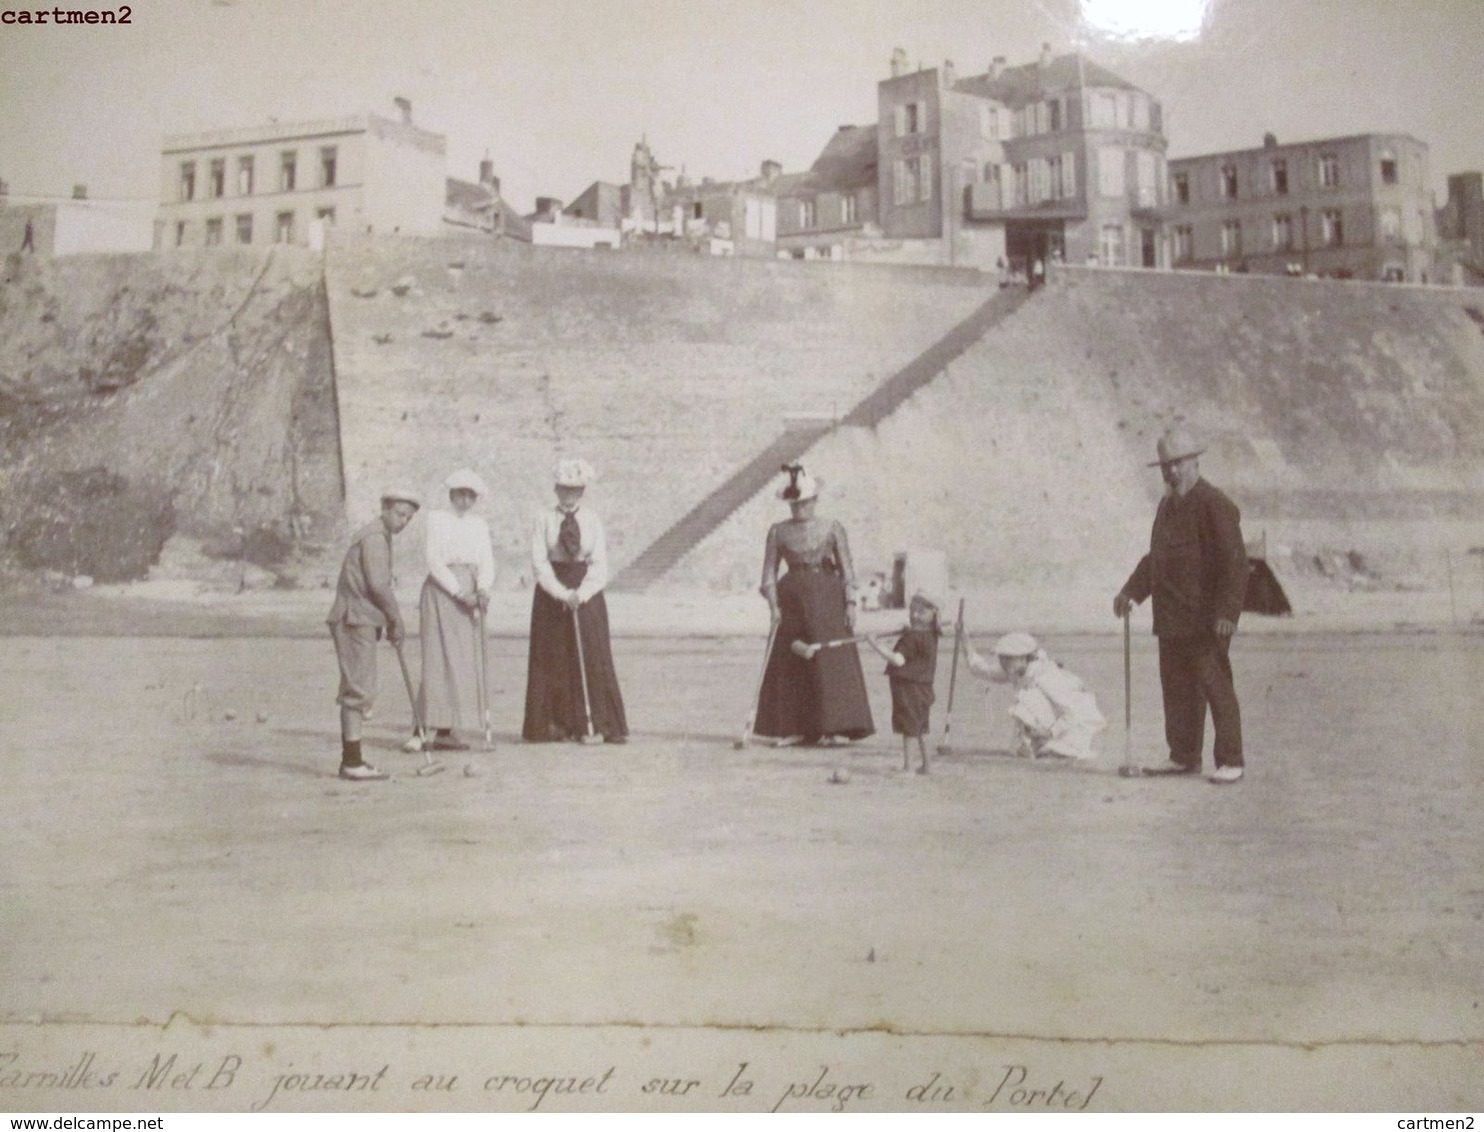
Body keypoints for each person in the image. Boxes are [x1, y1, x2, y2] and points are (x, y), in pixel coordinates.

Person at [1113, 427, 1248, 784]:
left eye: (1178, 464)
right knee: (1176, 690)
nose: (1172, 472)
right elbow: (1155, 559)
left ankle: (1231, 760)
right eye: (1165, 467)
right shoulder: (1167, 507)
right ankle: (1184, 756)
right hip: (1171, 619)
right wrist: (1130, 593)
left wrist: (1227, 614)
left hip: (1206, 621)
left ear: (1194, 463)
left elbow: (1234, 564)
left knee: (1215, 687)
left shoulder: (1215, 505)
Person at [753, 463, 874, 746]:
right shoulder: (777, 532)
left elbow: (847, 569)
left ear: (815, 501)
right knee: (793, 660)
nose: (800, 510)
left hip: (827, 599)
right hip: (792, 600)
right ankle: (795, 728)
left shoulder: (832, 528)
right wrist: (774, 607)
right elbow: (768, 574)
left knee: (828, 661)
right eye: (795, 505)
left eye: (805, 503)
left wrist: (851, 603)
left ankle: (833, 727)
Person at [522, 458, 628, 743]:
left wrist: (580, 594)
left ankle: (599, 724)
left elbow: (599, 565)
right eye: (564, 489)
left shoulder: (592, 520)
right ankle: (556, 724)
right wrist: (560, 593)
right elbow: (539, 562)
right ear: (556, 489)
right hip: (552, 593)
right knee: (554, 655)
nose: (569, 495)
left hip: (586, 592)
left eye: (575, 490)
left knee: (593, 654)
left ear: (582, 491)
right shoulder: (544, 518)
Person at [326, 488, 420, 781]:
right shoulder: (375, 538)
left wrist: (389, 620)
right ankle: (352, 762)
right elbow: (379, 585)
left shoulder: (378, 535)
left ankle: (352, 760)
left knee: (360, 688)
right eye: (400, 513)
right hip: (354, 618)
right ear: (385, 508)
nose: (404, 521)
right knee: (358, 689)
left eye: (409, 517)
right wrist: (396, 619)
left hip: (360, 617)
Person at [410, 469, 495, 752]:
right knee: (437, 660)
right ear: (451, 494)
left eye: (471, 495)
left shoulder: (479, 524)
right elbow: (433, 560)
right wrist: (458, 592)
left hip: (471, 591)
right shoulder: (436, 519)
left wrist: (483, 588)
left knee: (461, 661)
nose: (466, 500)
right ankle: (421, 729)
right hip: (443, 592)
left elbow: (486, 559)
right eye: (461, 494)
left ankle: (447, 730)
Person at [965, 631, 1106, 760]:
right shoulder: (1017, 670)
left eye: (1009, 658)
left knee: (1027, 699)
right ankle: (1039, 745)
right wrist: (964, 638)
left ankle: (1056, 746)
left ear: (1025, 658)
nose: (1003, 663)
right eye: (1001, 658)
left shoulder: (1045, 675)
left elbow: (1073, 712)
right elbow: (981, 669)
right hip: (1054, 726)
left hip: (1075, 728)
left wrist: (1050, 732)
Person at [865, 589, 940, 773]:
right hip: (923, 687)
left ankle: (908, 769)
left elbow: (898, 659)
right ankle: (927, 766)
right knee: (921, 726)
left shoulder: (913, 637)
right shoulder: (931, 633)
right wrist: (909, 631)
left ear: (933, 614)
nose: (914, 615)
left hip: (909, 687)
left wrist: (875, 645)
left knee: (909, 727)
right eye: (912, 610)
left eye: (921, 612)